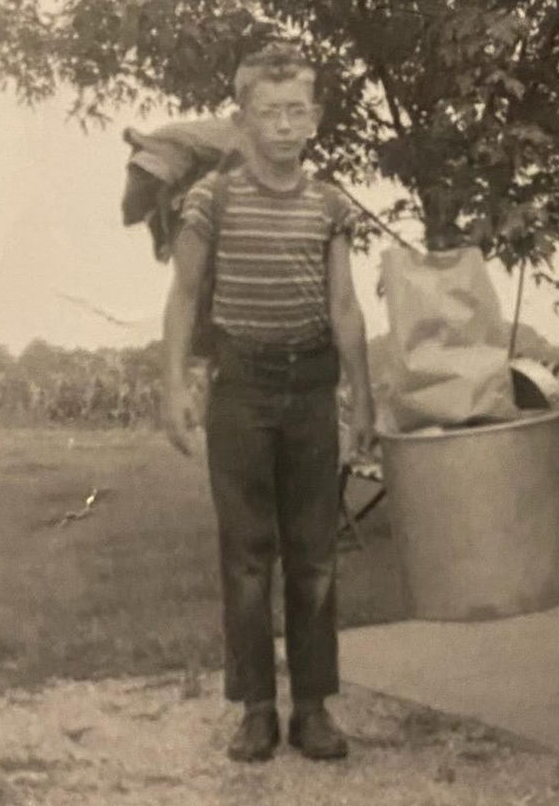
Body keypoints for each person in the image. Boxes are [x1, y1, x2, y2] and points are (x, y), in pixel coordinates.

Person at [163, 44, 376, 763]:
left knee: (314, 556)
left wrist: (363, 398)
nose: (284, 125)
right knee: (248, 557)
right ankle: (256, 707)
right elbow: (184, 297)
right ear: (241, 119)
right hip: (242, 390)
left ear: (315, 119)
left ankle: (312, 708)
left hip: (312, 388)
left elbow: (345, 306)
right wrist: (173, 388)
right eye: (268, 112)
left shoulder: (330, 205)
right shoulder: (212, 199)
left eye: (297, 112)